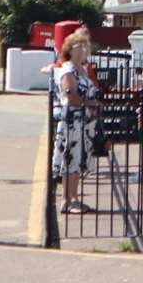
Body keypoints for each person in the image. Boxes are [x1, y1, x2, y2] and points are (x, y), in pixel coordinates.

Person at [53, 30, 100, 214]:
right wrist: (89, 103)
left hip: (85, 122)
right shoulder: (68, 70)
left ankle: (74, 198)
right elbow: (70, 95)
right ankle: (67, 200)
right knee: (70, 160)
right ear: (69, 49)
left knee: (78, 161)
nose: (83, 49)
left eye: (85, 46)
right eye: (79, 46)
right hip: (73, 120)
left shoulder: (83, 69)